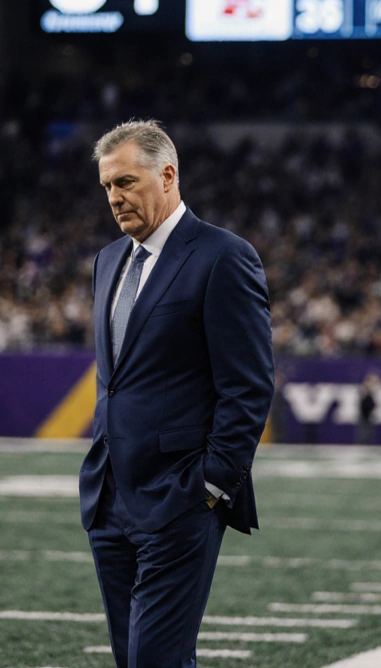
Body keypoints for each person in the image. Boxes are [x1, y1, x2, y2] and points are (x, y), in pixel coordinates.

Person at [78, 120, 274, 668]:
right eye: (108, 187)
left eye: (126, 182)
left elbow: (249, 385)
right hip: (111, 499)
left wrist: (210, 485)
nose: (115, 198)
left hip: (180, 498)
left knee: (154, 661)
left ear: (167, 175)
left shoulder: (223, 256)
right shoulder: (108, 260)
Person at [357, 372, 380, 445]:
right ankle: (362, 443)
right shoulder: (363, 391)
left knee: (368, 431)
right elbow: (362, 403)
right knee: (363, 431)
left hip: (369, 414)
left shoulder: (371, 392)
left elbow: (373, 404)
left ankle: (366, 443)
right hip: (364, 414)